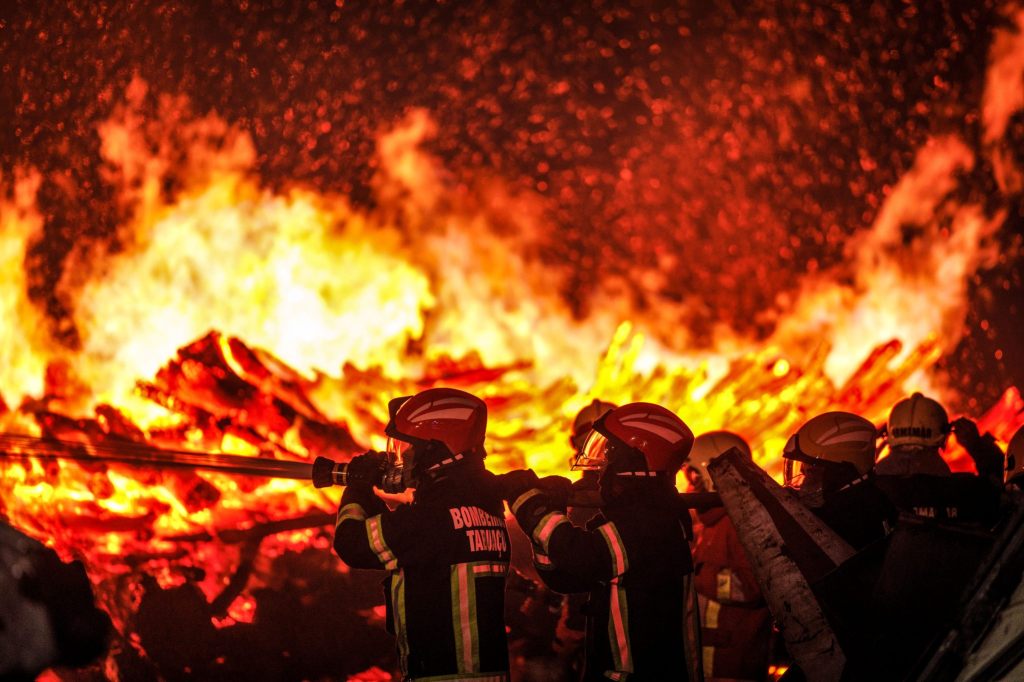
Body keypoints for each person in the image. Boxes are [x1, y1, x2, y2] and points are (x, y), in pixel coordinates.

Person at [500, 402, 701, 681]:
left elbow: (579, 555)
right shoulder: (645, 513)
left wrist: (530, 503)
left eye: (611, 453)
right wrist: (552, 514)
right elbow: (566, 577)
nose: (603, 463)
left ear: (634, 458)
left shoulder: (648, 520)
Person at [333, 387, 511, 681]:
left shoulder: (432, 517)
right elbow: (410, 538)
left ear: (436, 448)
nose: (407, 455)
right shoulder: (486, 504)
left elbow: (352, 543)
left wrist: (358, 485)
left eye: (412, 446)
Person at [685, 431, 772, 682]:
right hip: (707, 661)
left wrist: (697, 574)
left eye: (694, 475)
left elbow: (752, 586)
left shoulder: (742, 524)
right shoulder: (708, 524)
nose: (690, 485)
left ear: (712, 475)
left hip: (735, 665)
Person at [874, 393, 1002, 525]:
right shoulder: (967, 492)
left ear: (888, 435)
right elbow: (1002, 485)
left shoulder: (873, 492)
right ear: (944, 437)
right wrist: (977, 445)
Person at [782, 411, 895, 549]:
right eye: (804, 473)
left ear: (839, 472)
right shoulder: (879, 501)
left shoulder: (849, 520)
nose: (804, 484)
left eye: (811, 473)